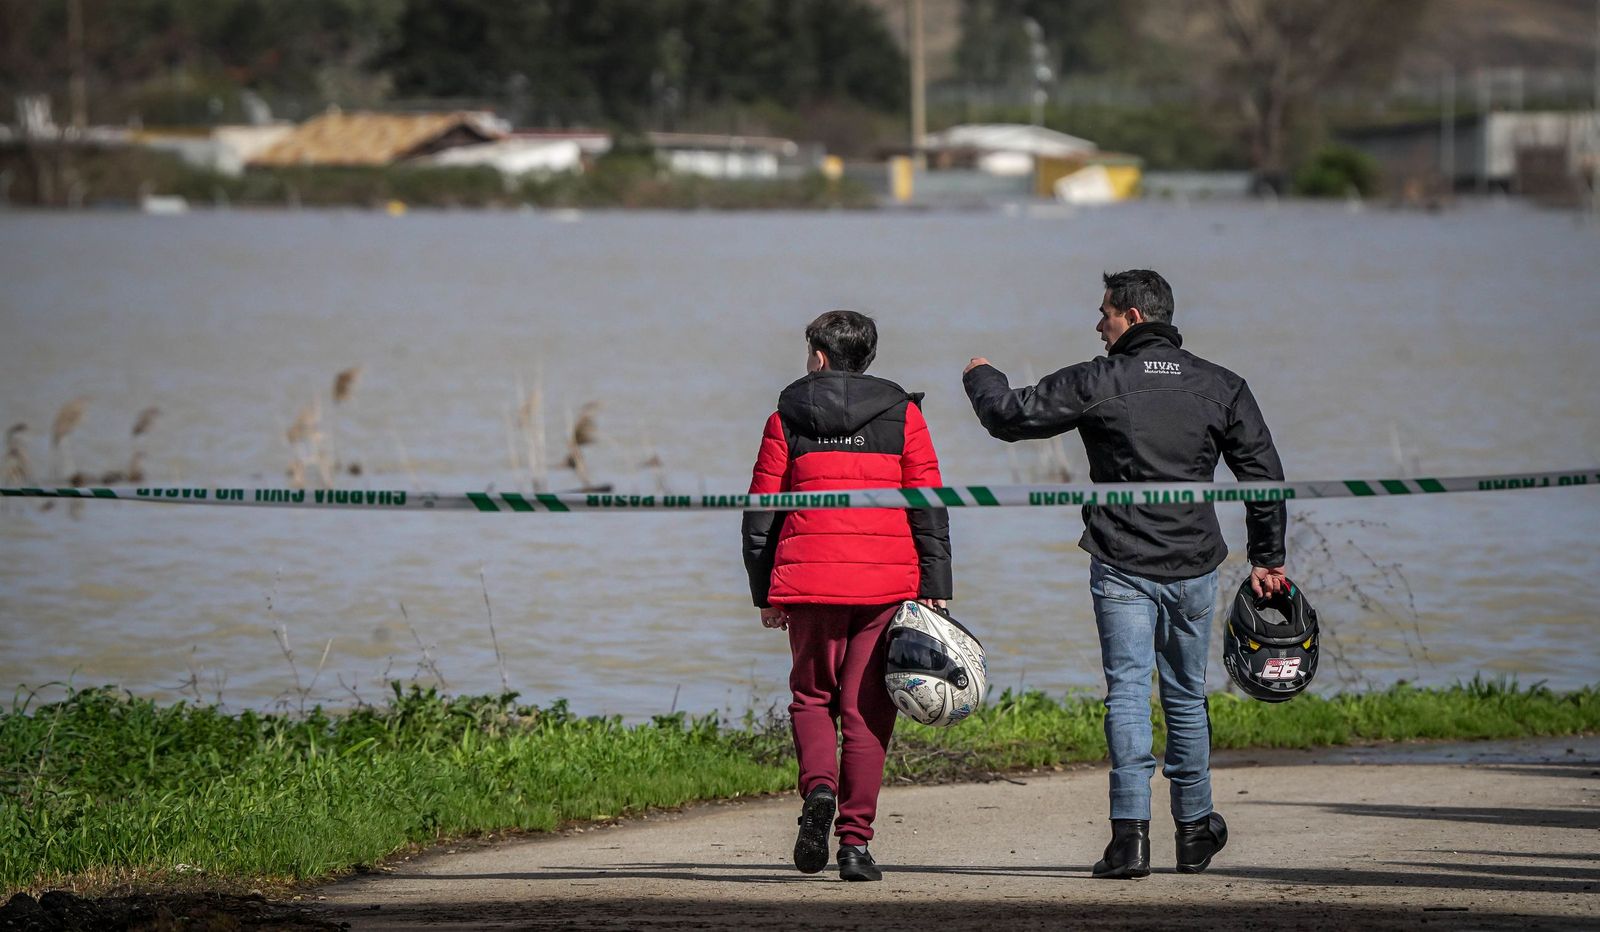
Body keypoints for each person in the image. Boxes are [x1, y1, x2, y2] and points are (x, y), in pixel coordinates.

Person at [961, 270, 1286, 879]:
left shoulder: (1099, 379)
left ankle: (1128, 841)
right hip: (1194, 564)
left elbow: (1009, 416)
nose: (1097, 323)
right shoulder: (1223, 385)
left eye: (1104, 312)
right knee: (1187, 697)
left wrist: (980, 373)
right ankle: (1193, 831)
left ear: (1133, 317)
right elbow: (1264, 477)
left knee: (1129, 695)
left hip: (1121, 565)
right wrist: (1268, 557)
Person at [743, 309, 952, 882]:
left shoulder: (785, 416)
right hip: (885, 583)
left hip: (808, 582)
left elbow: (761, 512)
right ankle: (855, 844)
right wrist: (935, 586)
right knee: (867, 710)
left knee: (812, 698)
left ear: (819, 356)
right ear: (868, 357)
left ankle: (818, 791)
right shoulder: (904, 414)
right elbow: (928, 505)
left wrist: (765, 591)